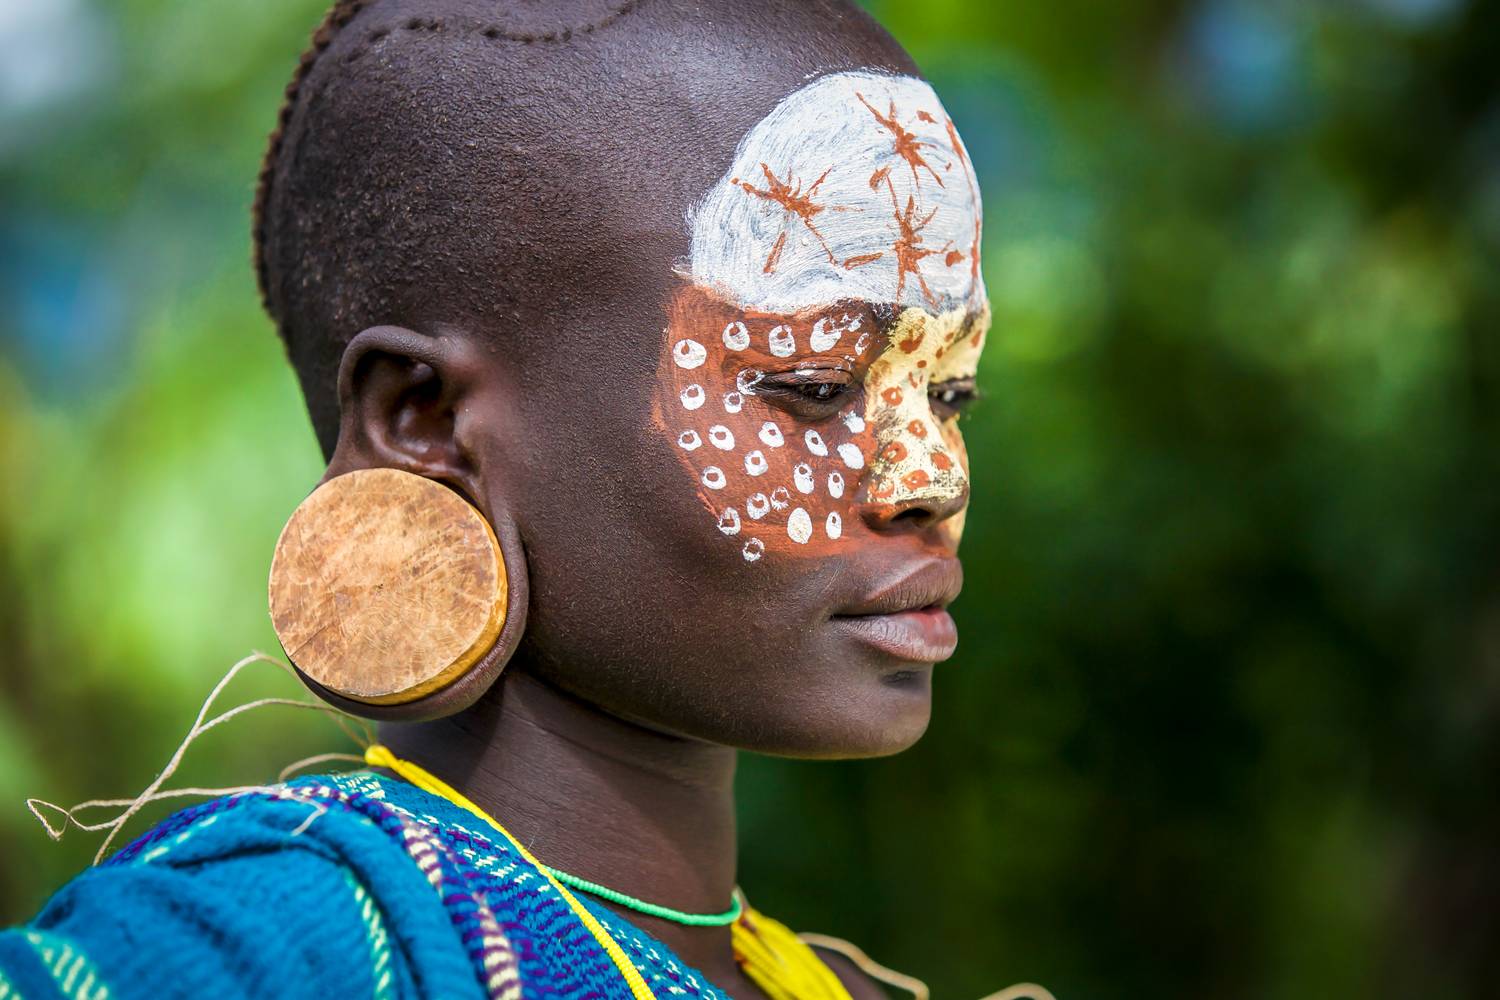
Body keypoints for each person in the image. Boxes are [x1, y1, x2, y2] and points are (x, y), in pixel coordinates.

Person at [0, 1, 992, 997]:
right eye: (816, 386)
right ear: (423, 420)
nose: (933, 475)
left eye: (950, 391)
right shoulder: (257, 949)